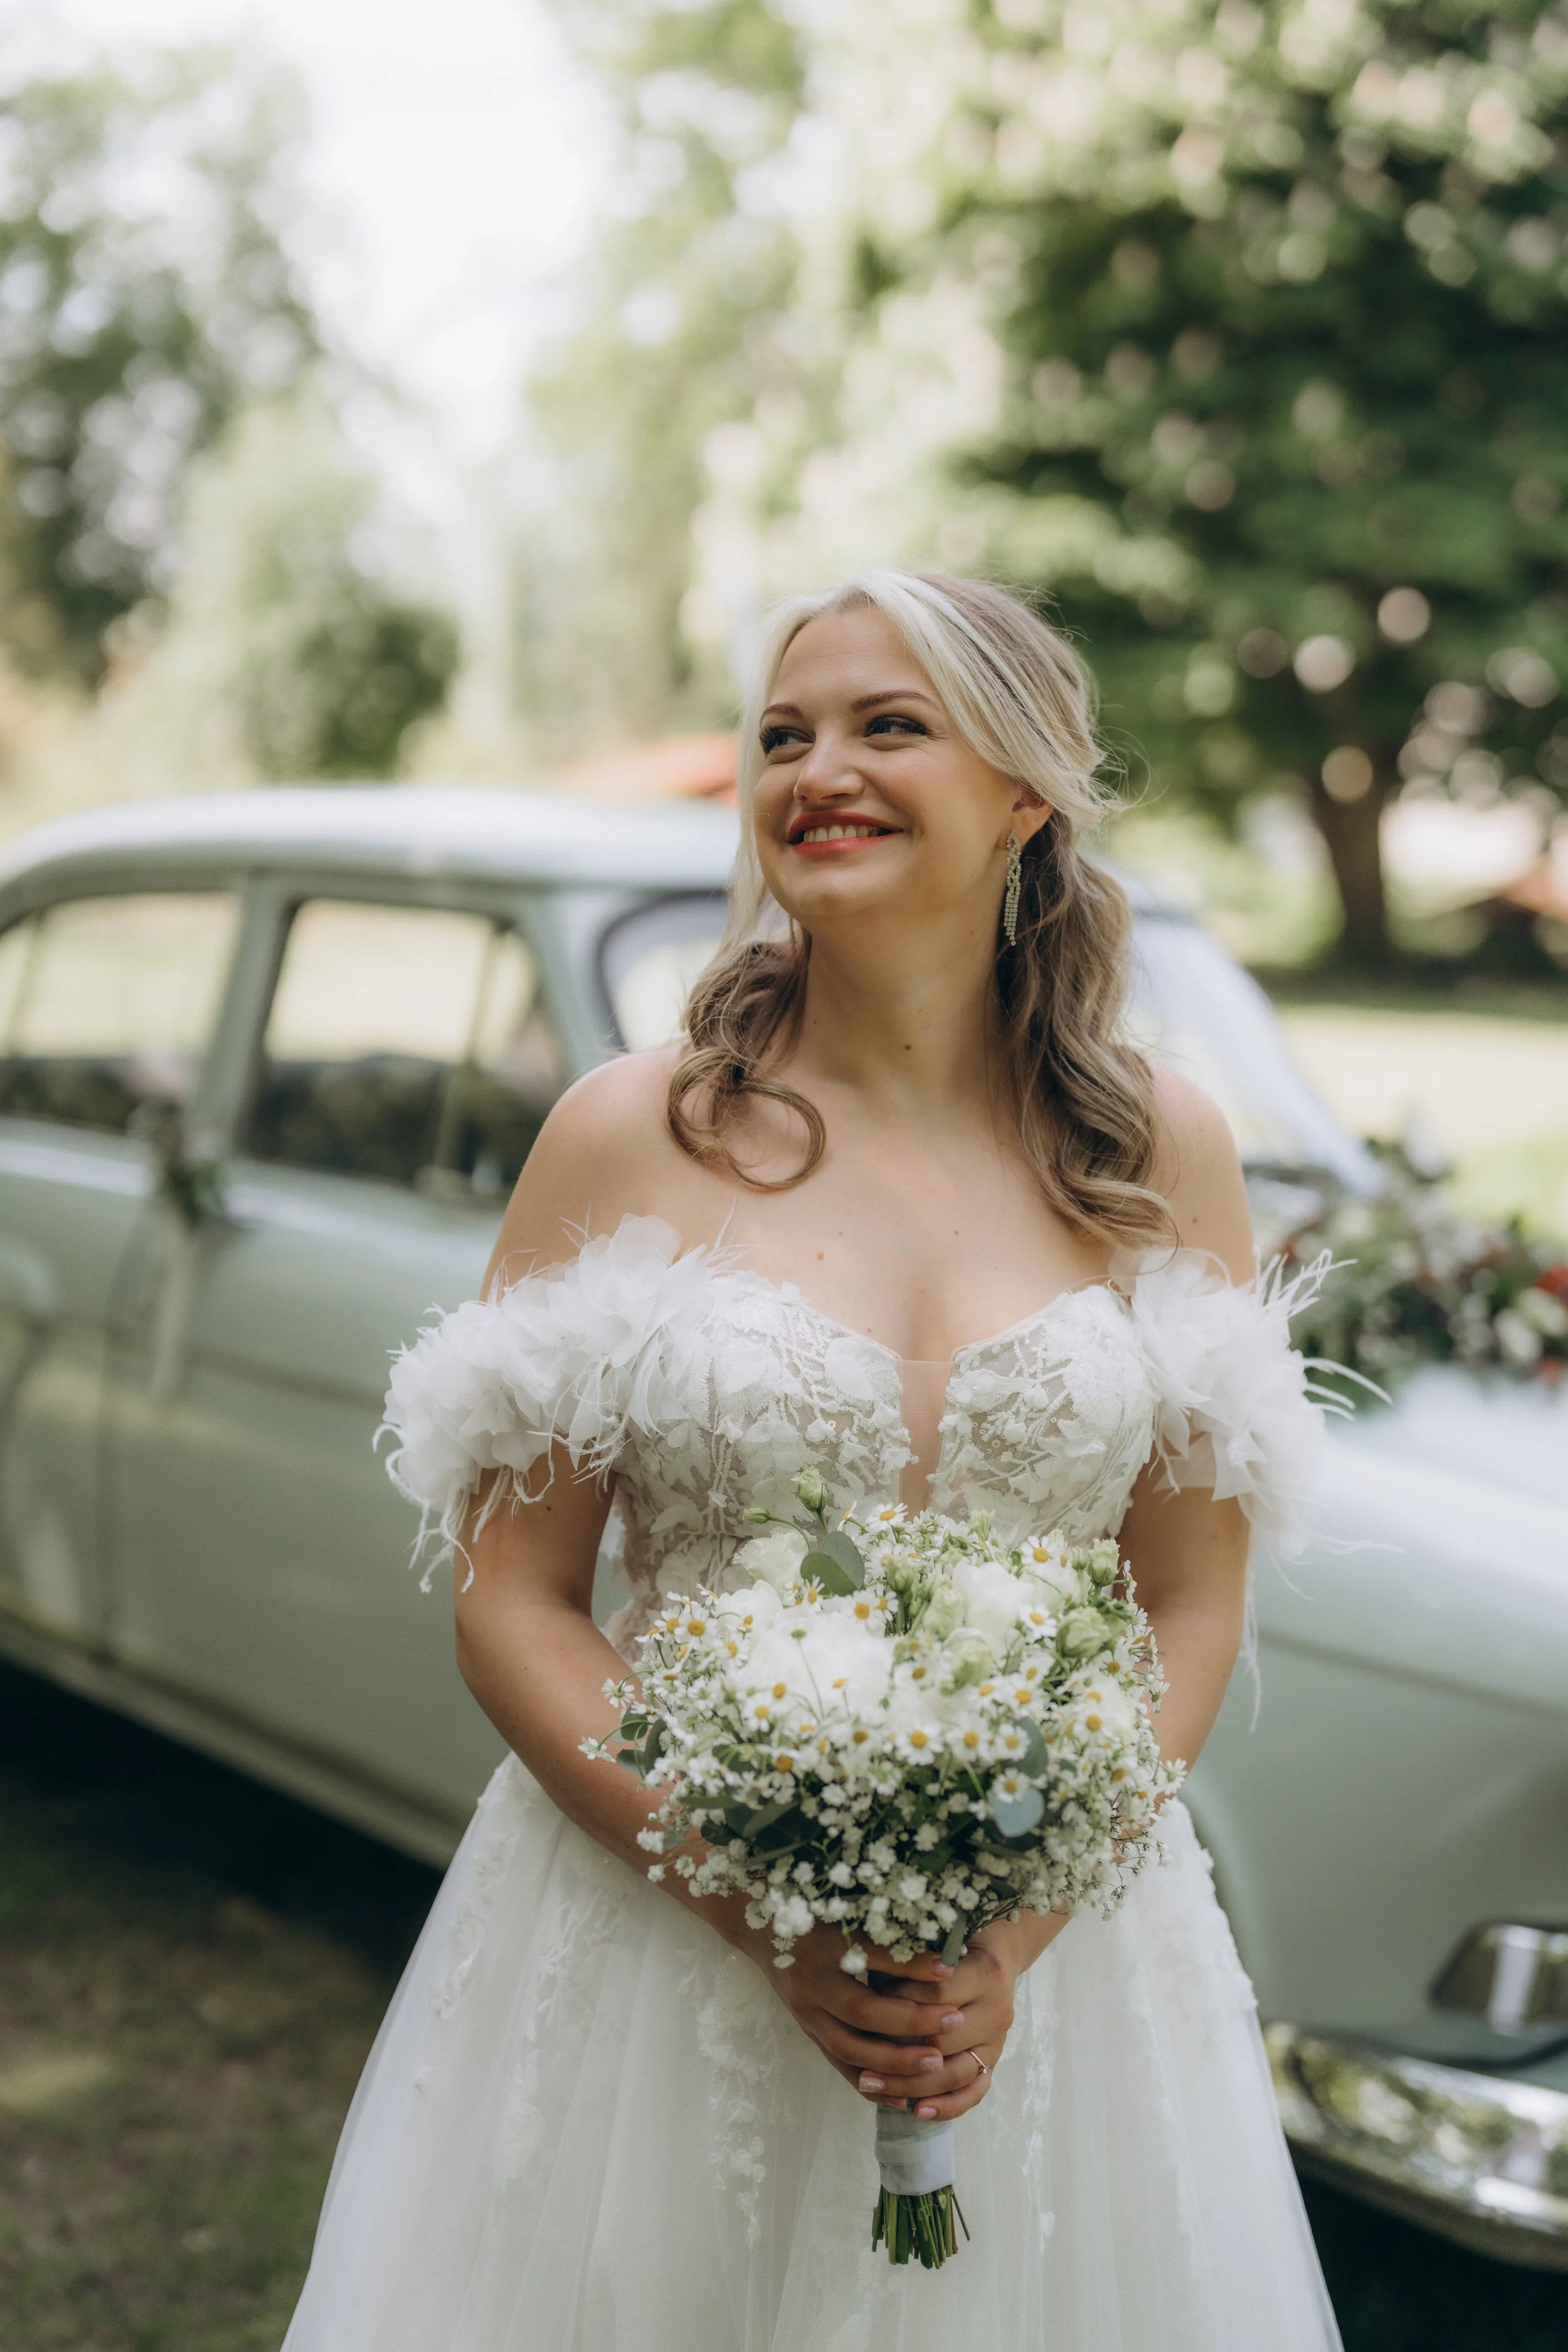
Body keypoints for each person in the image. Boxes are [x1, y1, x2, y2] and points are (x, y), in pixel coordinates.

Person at [282, 570, 1342, 2350]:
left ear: (1027, 792)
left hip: (1056, 1972)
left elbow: (1187, 1589)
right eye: (783, 734)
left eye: (885, 724)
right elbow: (514, 1598)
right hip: (654, 1943)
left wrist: (1004, 1943)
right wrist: (757, 1906)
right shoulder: (630, 1133)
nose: (814, 768)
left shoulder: (1160, 1149)